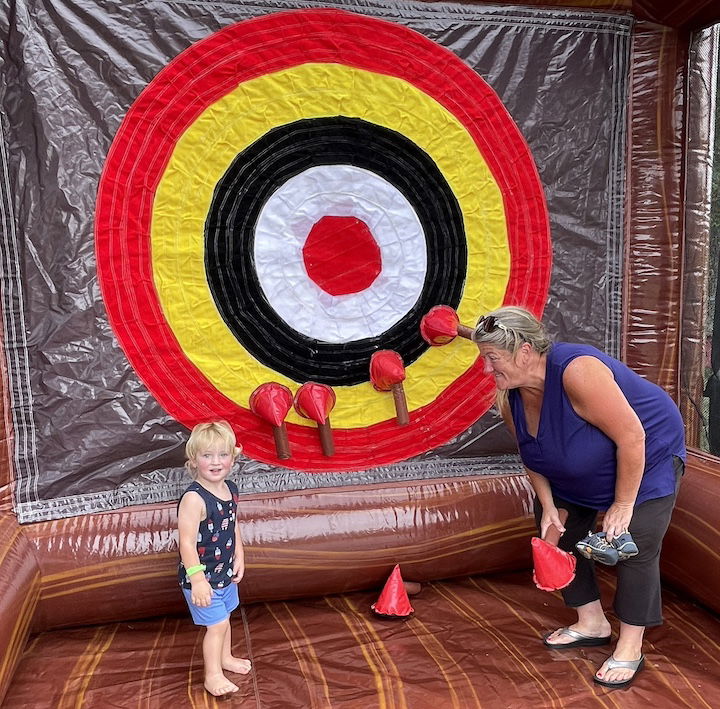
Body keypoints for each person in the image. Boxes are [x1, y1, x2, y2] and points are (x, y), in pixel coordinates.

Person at [472, 306, 685, 689]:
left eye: (492, 359)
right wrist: (549, 506)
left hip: (647, 452)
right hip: (581, 463)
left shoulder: (577, 371)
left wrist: (622, 506)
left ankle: (630, 646)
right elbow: (531, 453)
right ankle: (592, 621)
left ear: (523, 352)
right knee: (561, 533)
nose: (487, 371)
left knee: (632, 543)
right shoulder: (509, 396)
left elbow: (632, 437)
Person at [177, 421, 251, 696]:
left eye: (222, 454)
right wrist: (197, 580)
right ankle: (212, 675)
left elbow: (232, 524)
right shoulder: (194, 499)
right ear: (194, 460)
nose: (215, 462)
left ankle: (226, 658)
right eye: (207, 455)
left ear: (234, 456)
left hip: (224, 573)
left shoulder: (230, 488)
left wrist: (240, 555)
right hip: (202, 577)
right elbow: (185, 542)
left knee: (226, 617)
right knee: (216, 624)